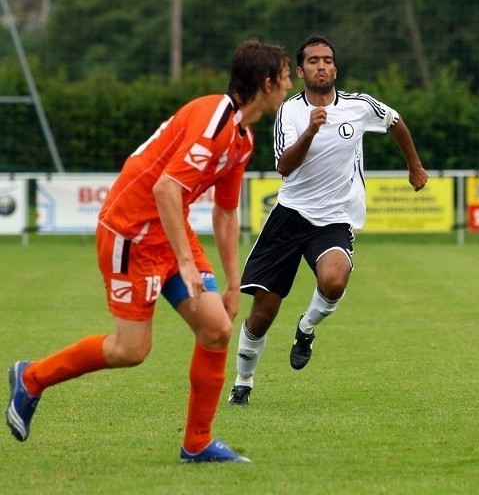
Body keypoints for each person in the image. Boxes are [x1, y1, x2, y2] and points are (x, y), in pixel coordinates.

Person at [5, 39, 292, 462]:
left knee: (216, 328)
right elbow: (165, 188)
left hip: (167, 229)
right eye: (286, 75)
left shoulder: (242, 139)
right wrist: (185, 263)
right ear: (266, 82)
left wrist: (234, 283)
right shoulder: (214, 119)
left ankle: (197, 443)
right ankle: (31, 378)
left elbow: (227, 214)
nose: (290, 83)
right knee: (130, 350)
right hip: (129, 233)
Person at [228, 34, 428, 405]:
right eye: (313, 61)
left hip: (335, 218)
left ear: (335, 68)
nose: (321, 65)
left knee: (334, 281)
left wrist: (414, 167)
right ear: (301, 71)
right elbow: (284, 167)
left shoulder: (359, 106)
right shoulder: (290, 111)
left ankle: (306, 329)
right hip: (290, 217)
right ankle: (244, 380)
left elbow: (396, 122)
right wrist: (311, 131)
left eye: (327, 60)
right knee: (263, 313)